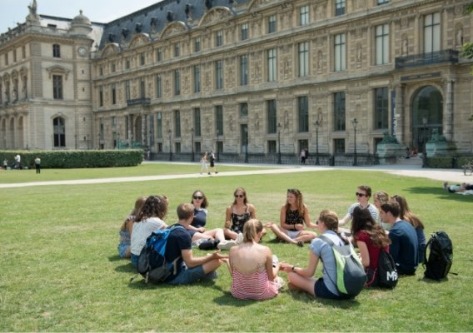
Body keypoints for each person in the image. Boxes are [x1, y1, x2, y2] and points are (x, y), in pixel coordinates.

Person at [280, 210, 352, 300]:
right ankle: (302, 286)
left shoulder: (318, 241)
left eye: (318, 222)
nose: (317, 225)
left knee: (292, 275)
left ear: (322, 224)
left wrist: (292, 268)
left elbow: (309, 273)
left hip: (333, 291)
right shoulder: (345, 238)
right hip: (352, 287)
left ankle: (302, 287)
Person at [162, 203, 228, 285]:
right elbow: (190, 263)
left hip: (162, 270)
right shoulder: (183, 235)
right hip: (173, 276)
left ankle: (208, 274)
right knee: (216, 261)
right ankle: (207, 274)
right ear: (192, 215)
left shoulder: (170, 228)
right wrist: (212, 257)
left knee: (207, 259)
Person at [228, 219, 283, 300]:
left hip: (238, 292)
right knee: (278, 279)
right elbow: (271, 277)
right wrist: (278, 265)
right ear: (260, 233)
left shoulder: (232, 250)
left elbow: (234, 274)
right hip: (261, 293)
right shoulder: (265, 250)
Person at [351, 206, 391, 286]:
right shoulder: (379, 230)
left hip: (373, 275)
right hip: (385, 270)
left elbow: (366, 263)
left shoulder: (361, 236)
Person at [380, 201, 418, 275]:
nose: (380, 215)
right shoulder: (407, 224)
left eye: (381, 212)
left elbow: (391, 257)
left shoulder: (395, 232)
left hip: (405, 268)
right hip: (413, 266)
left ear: (389, 214)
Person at [130, 195, 169, 266]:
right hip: (143, 260)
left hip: (133, 257)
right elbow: (172, 231)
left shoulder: (139, 219)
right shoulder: (156, 221)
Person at [391, 195, 426, 265]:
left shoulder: (406, 219)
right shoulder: (409, 216)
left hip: (417, 253)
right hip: (418, 251)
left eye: (392, 204)